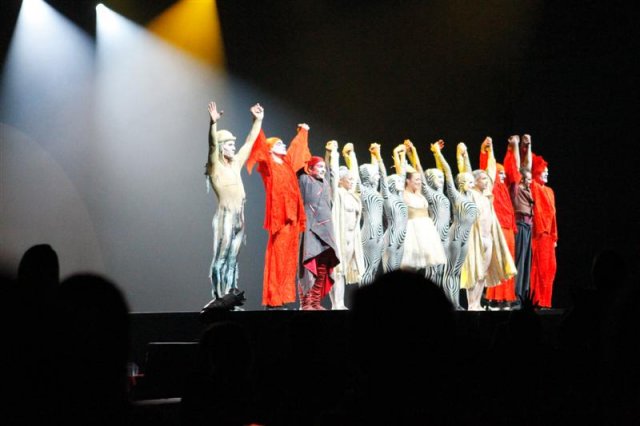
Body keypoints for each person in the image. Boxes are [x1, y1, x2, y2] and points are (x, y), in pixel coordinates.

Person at [246, 122, 311, 309]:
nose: (283, 145)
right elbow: (259, 147)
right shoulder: (269, 166)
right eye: (279, 144)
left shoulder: (287, 164)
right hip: (280, 218)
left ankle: (282, 297)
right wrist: (257, 121)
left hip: (292, 217)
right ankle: (273, 299)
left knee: (289, 259)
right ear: (271, 148)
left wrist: (303, 132)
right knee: (278, 257)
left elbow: (296, 150)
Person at [205, 101, 264, 304]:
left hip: (240, 216)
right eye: (230, 144)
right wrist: (213, 125)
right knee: (221, 258)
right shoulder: (215, 167)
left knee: (232, 260)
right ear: (222, 147)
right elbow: (212, 146)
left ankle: (230, 298)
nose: (233, 147)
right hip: (225, 215)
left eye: (233, 144)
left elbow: (249, 142)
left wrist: (258, 121)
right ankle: (218, 297)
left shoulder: (235, 164)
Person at [459, 138, 517, 311]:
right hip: (475, 239)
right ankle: (471, 304)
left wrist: (490, 150)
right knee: (474, 271)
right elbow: (466, 171)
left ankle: (477, 303)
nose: (486, 181)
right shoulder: (471, 194)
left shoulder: (486, 194)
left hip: (488, 239)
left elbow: (491, 168)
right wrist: (463, 154)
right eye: (482, 179)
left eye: (486, 179)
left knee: (483, 273)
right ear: (475, 181)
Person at [431, 140, 478, 310]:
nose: (472, 184)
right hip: (456, 236)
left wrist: (465, 156)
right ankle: (450, 303)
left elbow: (468, 172)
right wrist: (438, 153)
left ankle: (455, 302)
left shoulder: (471, 197)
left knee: (457, 272)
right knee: (450, 271)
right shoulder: (455, 195)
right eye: (469, 182)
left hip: (466, 238)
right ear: (461, 183)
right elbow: (449, 173)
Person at [297, 147, 340, 310]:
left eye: (323, 167)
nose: (323, 170)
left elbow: (330, 171)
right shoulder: (305, 180)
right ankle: (306, 303)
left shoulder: (326, 183)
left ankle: (315, 302)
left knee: (322, 266)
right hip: (310, 228)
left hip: (326, 230)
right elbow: (299, 164)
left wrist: (329, 154)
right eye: (319, 167)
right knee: (309, 264)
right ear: (311, 168)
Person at [328, 142, 365, 310]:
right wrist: (334, 154)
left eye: (351, 179)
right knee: (337, 271)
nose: (351, 181)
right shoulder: (338, 194)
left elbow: (355, 176)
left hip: (352, 239)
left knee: (342, 272)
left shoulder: (352, 195)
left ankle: (340, 303)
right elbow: (333, 174)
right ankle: (337, 304)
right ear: (341, 181)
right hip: (340, 237)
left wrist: (351, 155)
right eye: (348, 179)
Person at [401, 140, 447, 274]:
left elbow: (419, 168)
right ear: (407, 181)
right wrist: (404, 153)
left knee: (425, 267)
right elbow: (402, 172)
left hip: (426, 231)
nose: (419, 182)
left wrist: (413, 151)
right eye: (416, 180)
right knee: (410, 266)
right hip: (412, 232)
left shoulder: (419, 193)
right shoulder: (404, 194)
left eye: (420, 180)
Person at [504, 135, 534, 308]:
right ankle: (513, 296)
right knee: (518, 262)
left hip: (528, 226)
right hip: (520, 225)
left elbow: (527, 167)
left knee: (525, 263)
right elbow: (519, 167)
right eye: (527, 179)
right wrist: (516, 146)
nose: (530, 181)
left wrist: (528, 146)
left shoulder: (529, 188)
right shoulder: (516, 187)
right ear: (521, 179)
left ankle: (522, 296)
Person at [530, 150, 558, 309]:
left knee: (550, 269)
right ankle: (536, 301)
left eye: (547, 171)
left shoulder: (550, 191)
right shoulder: (533, 186)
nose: (547, 173)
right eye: (543, 171)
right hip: (537, 235)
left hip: (548, 237)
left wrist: (554, 237)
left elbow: (554, 216)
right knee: (538, 268)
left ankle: (546, 302)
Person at [358, 143, 389, 285]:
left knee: (373, 270)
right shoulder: (363, 190)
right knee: (366, 269)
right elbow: (355, 173)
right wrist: (350, 156)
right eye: (374, 175)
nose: (377, 177)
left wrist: (375, 154)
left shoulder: (376, 192)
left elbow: (380, 173)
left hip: (379, 233)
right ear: (366, 176)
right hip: (369, 232)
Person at [381, 144, 408, 273]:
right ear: (391, 184)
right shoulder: (388, 197)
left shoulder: (400, 197)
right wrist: (378, 156)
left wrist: (401, 155)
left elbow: (402, 173)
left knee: (398, 273)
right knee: (390, 272)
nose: (401, 182)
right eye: (397, 181)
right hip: (391, 237)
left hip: (402, 238)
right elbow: (383, 176)